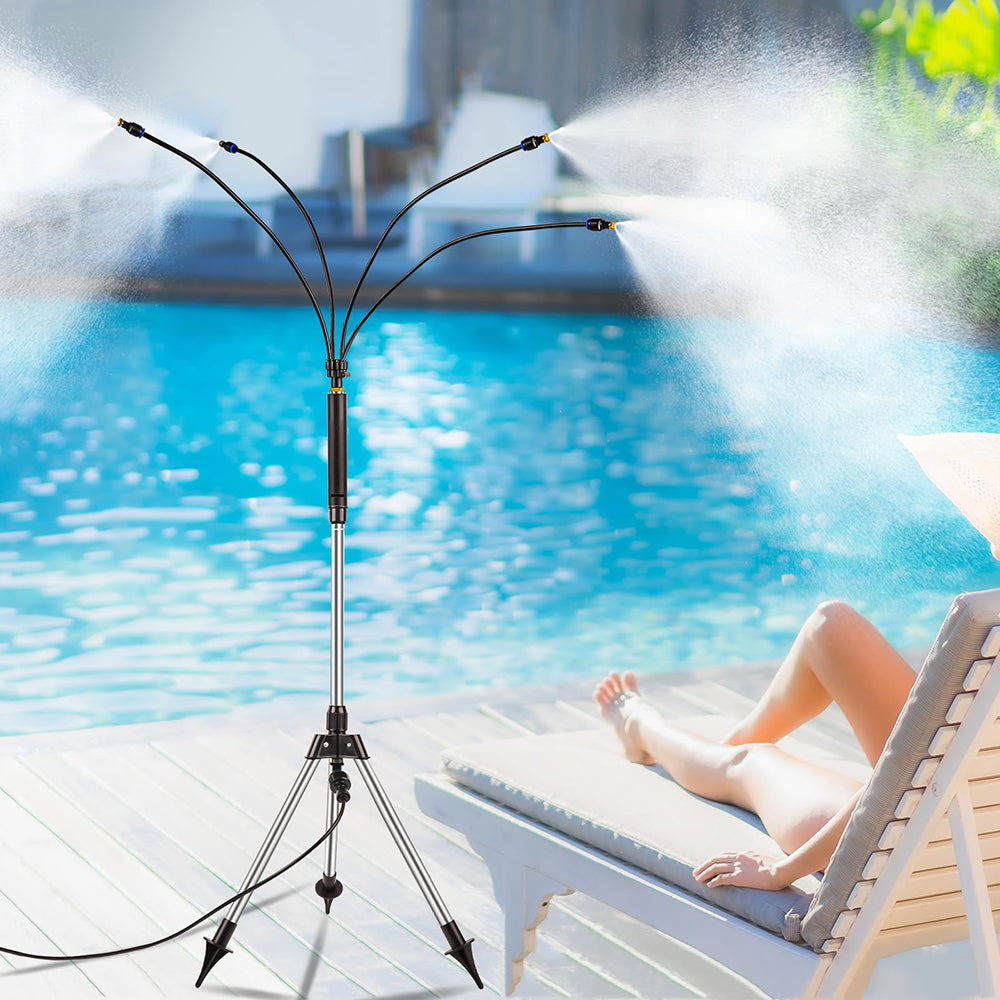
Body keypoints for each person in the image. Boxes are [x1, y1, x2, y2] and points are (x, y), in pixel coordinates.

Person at [594, 599, 920, 892]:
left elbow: (899, 784)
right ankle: (718, 755)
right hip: (943, 815)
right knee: (832, 625)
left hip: (899, 846)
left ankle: (641, 727)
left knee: (750, 763)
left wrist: (779, 873)